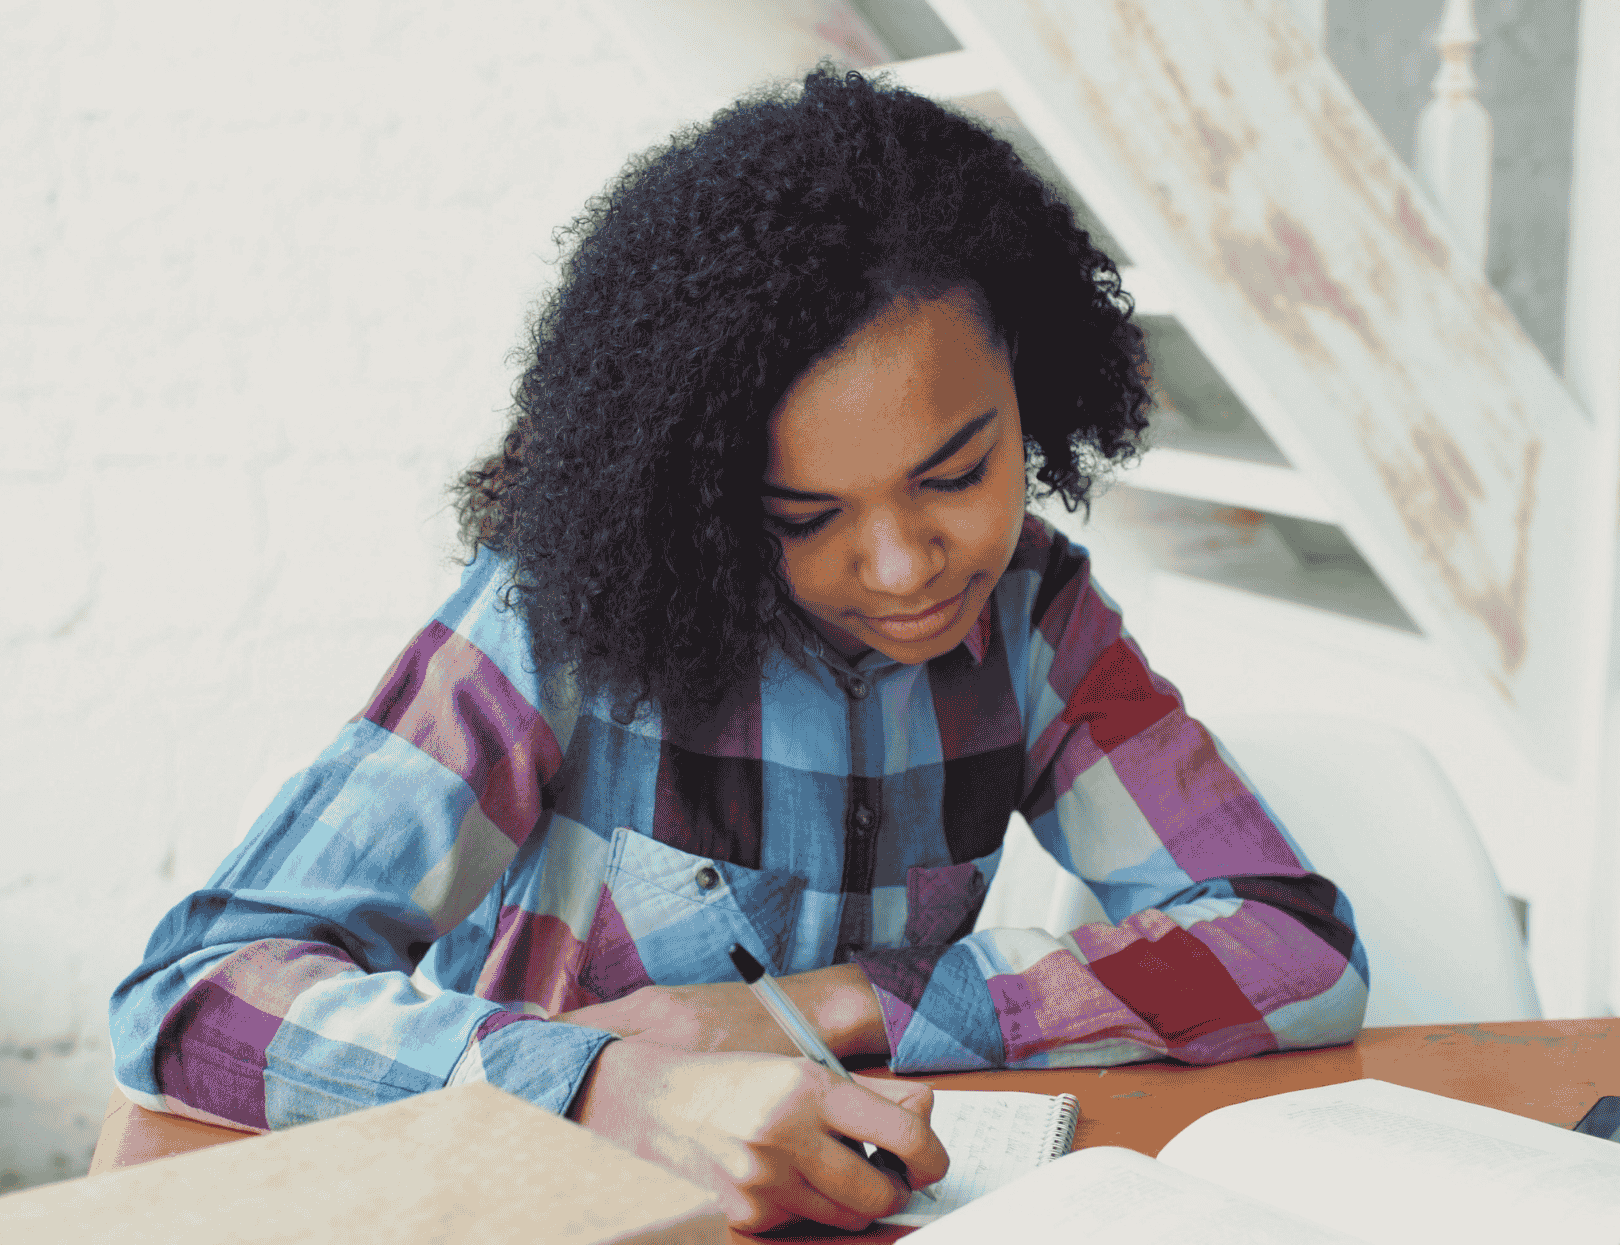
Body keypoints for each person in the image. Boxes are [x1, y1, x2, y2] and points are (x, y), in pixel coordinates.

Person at [108, 67, 1367, 1233]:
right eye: (804, 520)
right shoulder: (561, 616)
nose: (902, 566)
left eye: (956, 473)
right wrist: (611, 1085)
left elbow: (1295, 947)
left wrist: (816, 1009)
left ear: (1028, 381)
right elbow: (194, 992)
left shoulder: (1035, 611)